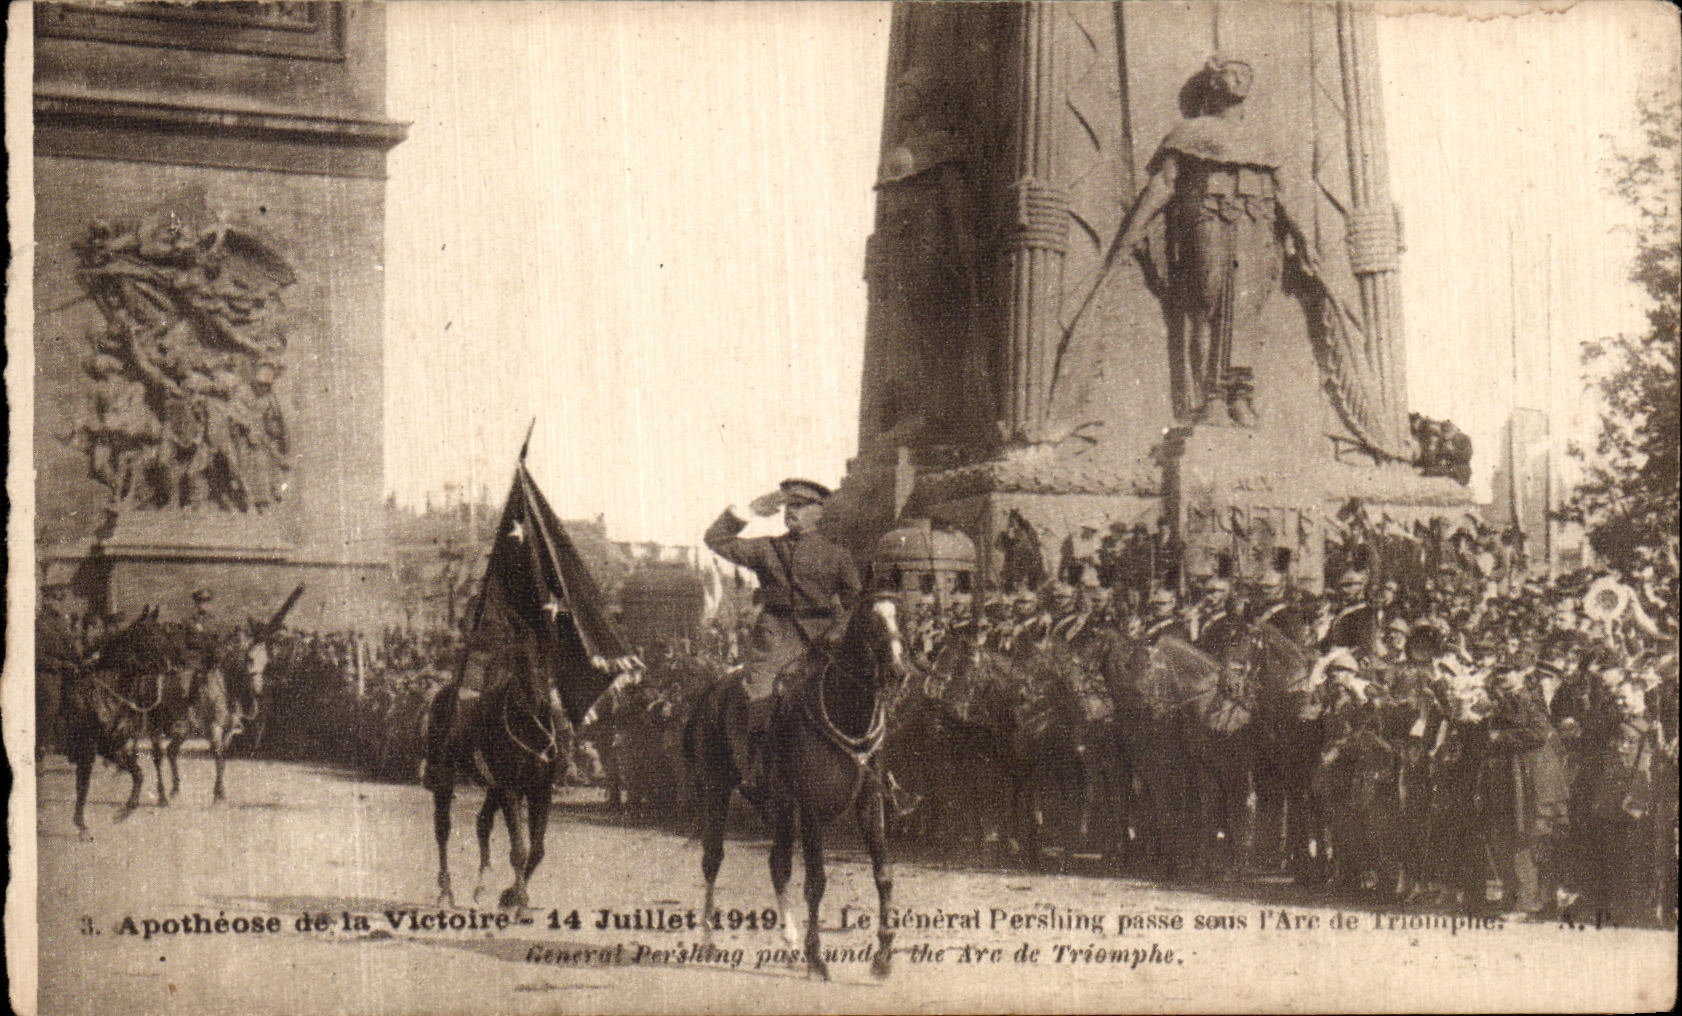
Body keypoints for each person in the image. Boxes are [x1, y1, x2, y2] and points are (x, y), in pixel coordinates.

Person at [1114, 53, 1319, 426]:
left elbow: (1284, 193)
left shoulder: (1264, 138)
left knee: (1246, 310)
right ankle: (1210, 397)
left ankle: (1239, 395)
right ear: (1213, 82)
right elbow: (1164, 184)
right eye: (1232, 73)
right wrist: (1132, 231)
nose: (1241, 79)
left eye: (1247, 73)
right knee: (1207, 304)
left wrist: (1304, 238)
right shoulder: (1190, 133)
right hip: (1208, 220)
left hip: (1256, 225)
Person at [703, 479, 862, 794]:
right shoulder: (766, 549)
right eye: (789, 505)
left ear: (818, 512)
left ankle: (875, 778)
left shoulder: (837, 555)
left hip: (824, 642)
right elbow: (715, 539)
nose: (792, 512)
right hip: (775, 640)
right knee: (760, 698)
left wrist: (837, 631)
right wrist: (749, 511)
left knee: (860, 695)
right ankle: (758, 770)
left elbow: (855, 602)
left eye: (800, 506)